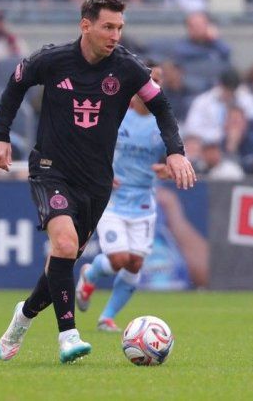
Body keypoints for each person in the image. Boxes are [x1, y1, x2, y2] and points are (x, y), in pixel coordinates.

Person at [0, 0, 194, 364]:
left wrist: (176, 150)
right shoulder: (52, 60)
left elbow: (161, 106)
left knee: (61, 263)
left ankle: (24, 316)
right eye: (107, 27)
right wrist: (1, 136)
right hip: (51, 169)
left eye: (119, 27)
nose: (115, 35)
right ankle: (68, 336)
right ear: (86, 25)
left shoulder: (129, 69)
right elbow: (16, 83)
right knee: (65, 246)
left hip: (97, 183)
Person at [73, 64, 171, 332]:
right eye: (150, 79)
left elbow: (173, 159)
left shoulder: (162, 122)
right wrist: (99, 171)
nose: (153, 85)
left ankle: (106, 317)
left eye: (158, 81)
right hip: (112, 199)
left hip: (143, 201)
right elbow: (87, 145)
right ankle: (89, 275)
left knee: (135, 262)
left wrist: (168, 170)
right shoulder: (114, 114)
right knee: (118, 259)